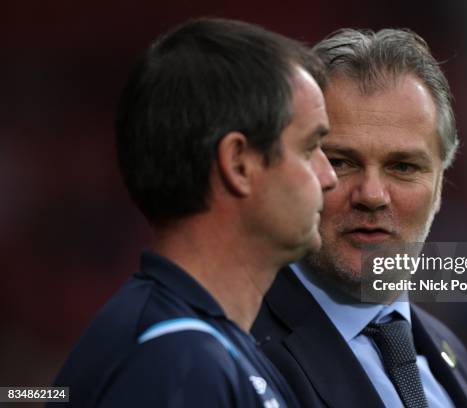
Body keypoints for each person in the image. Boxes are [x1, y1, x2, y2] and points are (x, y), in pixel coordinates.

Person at [52, 18, 337, 407]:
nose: (329, 177)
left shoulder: (205, 345)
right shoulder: (174, 359)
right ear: (238, 164)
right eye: (308, 149)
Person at [252, 28, 467, 407]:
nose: (373, 196)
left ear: (441, 184)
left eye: (403, 167)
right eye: (341, 162)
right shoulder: (237, 352)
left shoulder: (450, 352)